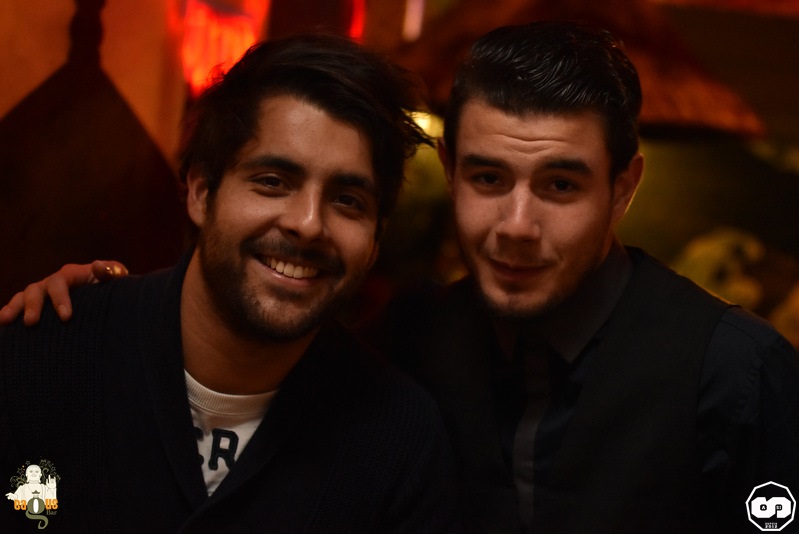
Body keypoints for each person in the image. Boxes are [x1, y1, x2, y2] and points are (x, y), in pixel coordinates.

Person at [6, 21, 799, 533]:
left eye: (561, 185)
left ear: (623, 188)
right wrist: (100, 305)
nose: (517, 225)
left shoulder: (734, 373)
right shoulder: (414, 341)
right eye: (487, 178)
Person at [0, 34, 458, 532]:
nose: (308, 224)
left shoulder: (398, 441)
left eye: (347, 200)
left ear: (374, 243)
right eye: (273, 182)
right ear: (201, 192)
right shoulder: (44, 359)